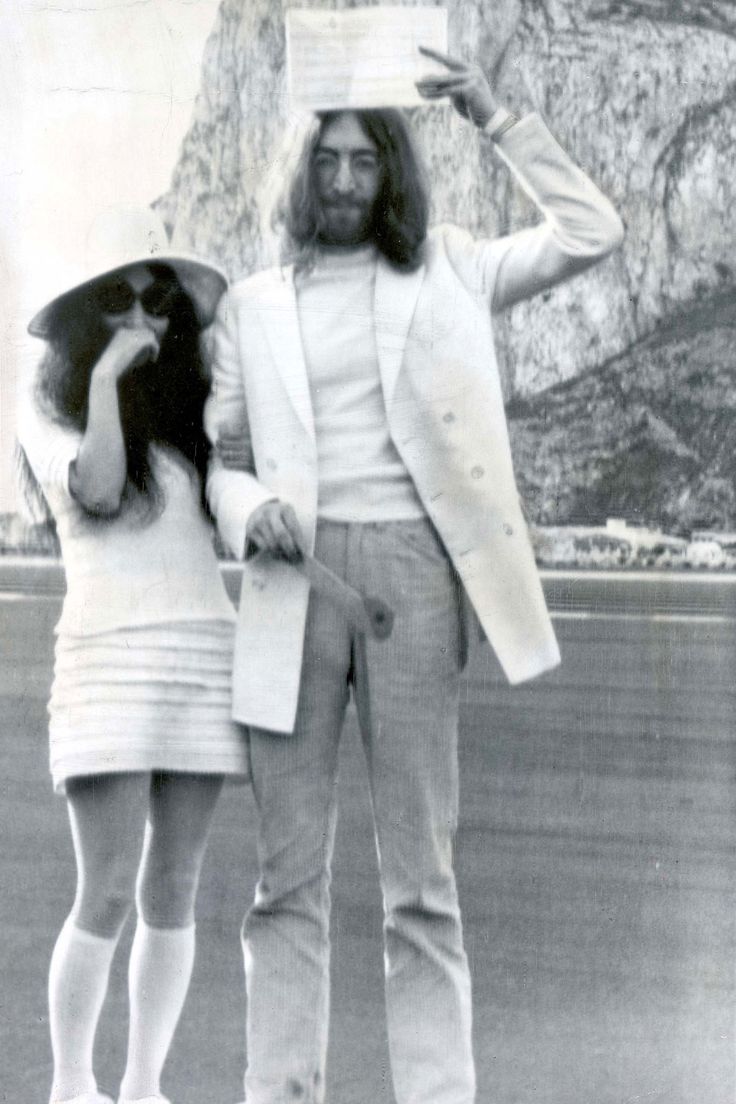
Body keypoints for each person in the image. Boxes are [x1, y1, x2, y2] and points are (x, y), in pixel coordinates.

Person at [207, 49, 624, 1104]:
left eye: (364, 162)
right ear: (301, 174)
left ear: (391, 173)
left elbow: (594, 231)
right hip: (288, 584)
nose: (345, 182)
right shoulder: (249, 305)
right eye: (328, 161)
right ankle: (279, 1090)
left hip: (416, 578)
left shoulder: (448, 267)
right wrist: (250, 511)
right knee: (283, 878)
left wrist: (495, 114)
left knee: (421, 883)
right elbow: (224, 457)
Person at [17, 207, 247, 1104]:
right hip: (107, 661)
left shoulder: (192, 426)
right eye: (122, 299)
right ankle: (74, 1087)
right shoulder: (49, 419)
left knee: (175, 888)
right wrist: (110, 378)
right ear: (87, 316)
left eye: (160, 299)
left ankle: (145, 1085)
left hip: (201, 655)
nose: (147, 314)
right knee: (105, 891)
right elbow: (104, 493)